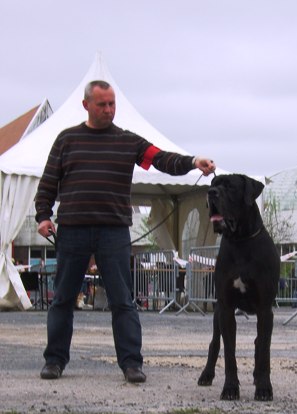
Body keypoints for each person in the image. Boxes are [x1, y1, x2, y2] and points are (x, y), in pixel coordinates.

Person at [35, 80, 216, 382]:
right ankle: (54, 361)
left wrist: (193, 162)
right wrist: (43, 215)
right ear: (86, 106)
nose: (109, 110)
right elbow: (48, 182)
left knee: (123, 300)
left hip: (114, 231)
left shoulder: (127, 141)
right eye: (102, 104)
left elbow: (161, 158)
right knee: (63, 299)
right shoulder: (67, 140)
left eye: (112, 104)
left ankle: (132, 364)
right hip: (73, 230)